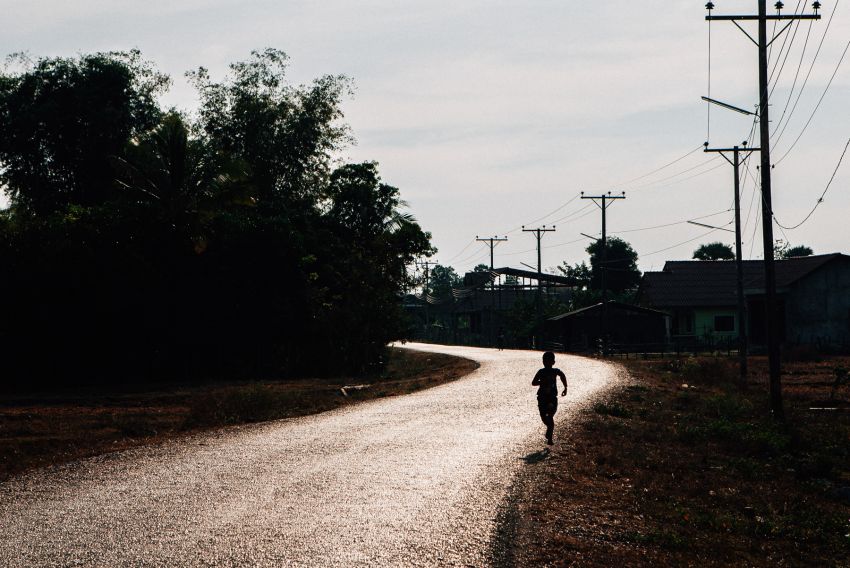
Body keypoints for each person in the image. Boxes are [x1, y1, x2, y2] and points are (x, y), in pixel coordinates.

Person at [531, 351, 568, 445]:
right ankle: (549, 429)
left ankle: (550, 438)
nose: (547, 363)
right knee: (544, 417)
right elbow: (534, 382)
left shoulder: (555, 371)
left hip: (551, 397)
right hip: (542, 397)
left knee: (550, 416)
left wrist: (565, 387)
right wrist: (542, 382)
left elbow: (562, 375)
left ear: (553, 362)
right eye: (545, 361)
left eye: (548, 361)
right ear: (543, 362)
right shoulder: (541, 371)